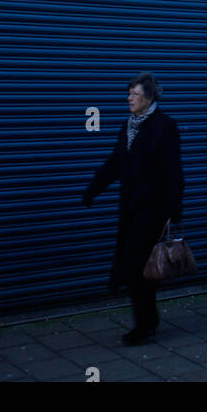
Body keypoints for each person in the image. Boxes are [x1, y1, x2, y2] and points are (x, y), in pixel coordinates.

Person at [82, 72, 184, 345]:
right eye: (128, 94)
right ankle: (148, 320)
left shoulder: (164, 126)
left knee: (137, 268)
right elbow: (115, 163)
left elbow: (175, 172)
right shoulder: (128, 126)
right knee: (139, 269)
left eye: (134, 94)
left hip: (153, 211)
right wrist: (93, 189)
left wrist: (175, 214)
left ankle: (144, 324)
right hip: (130, 209)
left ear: (149, 97)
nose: (129, 99)